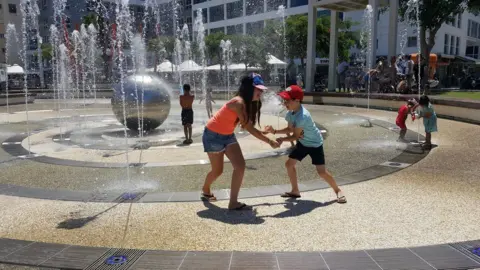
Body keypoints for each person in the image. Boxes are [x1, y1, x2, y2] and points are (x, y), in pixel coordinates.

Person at [201, 73, 280, 210]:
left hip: (228, 135)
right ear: (249, 88)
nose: (260, 92)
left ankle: (233, 202)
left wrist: (264, 134)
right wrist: (269, 141)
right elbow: (249, 128)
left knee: (240, 166)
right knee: (217, 171)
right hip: (212, 135)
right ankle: (205, 189)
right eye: (258, 89)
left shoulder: (247, 103)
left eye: (261, 89)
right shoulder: (238, 103)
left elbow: (248, 126)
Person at [263, 85, 346, 203]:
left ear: (297, 101)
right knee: (289, 164)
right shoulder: (290, 113)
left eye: (287, 100)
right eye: (284, 100)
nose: (284, 102)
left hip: (315, 144)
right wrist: (274, 131)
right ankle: (295, 190)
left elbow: (296, 135)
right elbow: (290, 129)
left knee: (321, 172)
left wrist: (281, 139)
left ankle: (338, 190)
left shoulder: (303, 116)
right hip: (303, 143)